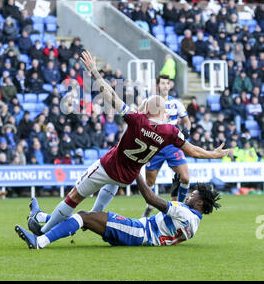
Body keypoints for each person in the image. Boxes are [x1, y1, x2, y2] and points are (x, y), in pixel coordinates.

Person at [25, 50, 228, 237]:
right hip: (127, 176)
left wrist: (94, 72)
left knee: (74, 196)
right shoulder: (170, 132)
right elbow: (193, 150)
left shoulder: (137, 120)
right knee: (101, 201)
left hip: (110, 165)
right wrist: (214, 154)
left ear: (146, 110)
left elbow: (111, 96)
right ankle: (81, 217)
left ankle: (42, 229)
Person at [14, 174, 221, 249]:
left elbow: (151, 199)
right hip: (141, 233)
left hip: (139, 232)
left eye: (194, 195)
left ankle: (39, 241)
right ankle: (41, 219)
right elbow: (174, 214)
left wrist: (136, 174)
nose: (190, 195)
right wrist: (176, 191)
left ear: (201, 204)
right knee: (86, 218)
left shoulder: (185, 214)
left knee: (84, 217)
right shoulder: (193, 221)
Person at [141, 74, 192, 218]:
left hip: (172, 145)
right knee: (149, 183)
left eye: (167, 83)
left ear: (170, 86)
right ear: (158, 86)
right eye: (162, 83)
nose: (165, 86)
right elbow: (141, 120)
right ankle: (150, 205)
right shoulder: (149, 102)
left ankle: (179, 208)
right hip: (155, 146)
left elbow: (187, 121)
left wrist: (186, 131)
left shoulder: (176, 103)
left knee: (185, 177)